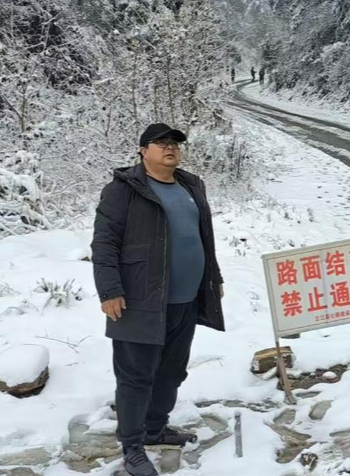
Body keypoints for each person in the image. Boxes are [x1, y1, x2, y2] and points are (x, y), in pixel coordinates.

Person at [92, 123, 225, 476]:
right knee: (136, 376)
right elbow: (104, 243)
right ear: (142, 150)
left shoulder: (190, 186)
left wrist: (214, 279)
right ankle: (133, 445)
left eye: (175, 144)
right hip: (139, 301)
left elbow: (201, 239)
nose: (170, 149)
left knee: (171, 372)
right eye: (161, 143)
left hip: (186, 299)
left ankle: (155, 428)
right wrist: (110, 290)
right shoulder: (123, 190)